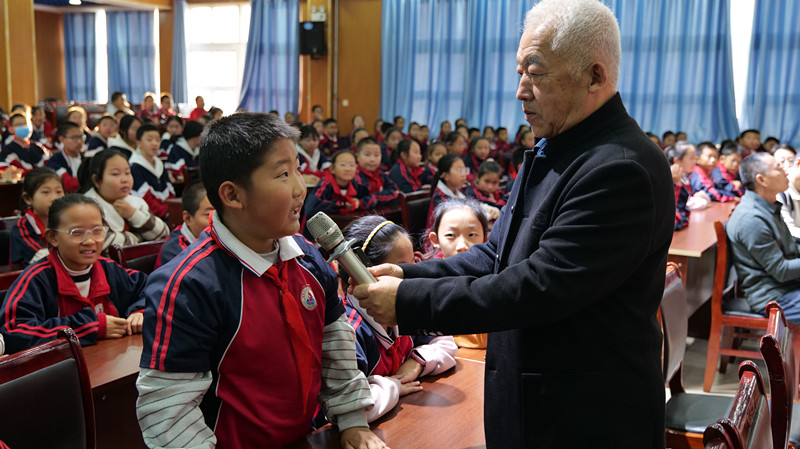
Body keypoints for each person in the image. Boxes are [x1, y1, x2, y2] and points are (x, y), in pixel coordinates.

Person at [351, 1, 674, 446]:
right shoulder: (557, 147)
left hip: (585, 418)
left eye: (536, 72)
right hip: (538, 405)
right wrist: (406, 273)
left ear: (595, 76)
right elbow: (494, 255)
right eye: (519, 72)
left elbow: (539, 286)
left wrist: (409, 301)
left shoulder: (619, 168)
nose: (521, 90)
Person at [135, 112, 385, 449]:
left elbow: (335, 350)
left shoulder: (309, 259)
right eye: (283, 174)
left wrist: (352, 422)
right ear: (233, 196)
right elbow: (170, 411)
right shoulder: (188, 285)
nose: (300, 188)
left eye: (298, 169)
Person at [336, 216, 457, 423]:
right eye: (402, 269)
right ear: (362, 273)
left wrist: (417, 361)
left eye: (412, 266)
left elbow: (446, 341)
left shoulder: (400, 309)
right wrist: (394, 386)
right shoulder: (349, 331)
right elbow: (350, 409)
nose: (414, 278)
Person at [0, 194, 147, 354]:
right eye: (77, 233)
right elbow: (14, 333)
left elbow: (151, 288)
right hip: (60, 373)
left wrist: (140, 312)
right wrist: (90, 327)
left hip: (111, 364)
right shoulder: (36, 279)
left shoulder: (108, 269)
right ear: (53, 237)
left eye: (97, 231)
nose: (90, 241)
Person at [727, 153, 800, 323]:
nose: (786, 171)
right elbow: (781, 271)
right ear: (762, 180)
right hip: (774, 296)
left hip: (787, 286)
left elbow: (791, 249)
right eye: (779, 168)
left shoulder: (768, 206)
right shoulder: (752, 218)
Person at [425, 199, 490, 348]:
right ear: (435, 240)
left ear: (486, 238)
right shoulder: (427, 280)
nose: (462, 246)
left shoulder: (493, 274)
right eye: (451, 235)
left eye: (472, 235)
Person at [82, 150, 169, 253]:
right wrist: (140, 238)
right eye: (115, 174)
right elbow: (107, 244)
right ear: (96, 180)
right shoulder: (87, 207)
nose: (125, 179)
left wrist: (133, 214)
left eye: (127, 173)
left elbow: (163, 234)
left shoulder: (135, 202)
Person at [9, 167, 64, 264]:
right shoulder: (22, 226)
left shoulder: (65, 221)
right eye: (46, 192)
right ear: (28, 199)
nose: (54, 198)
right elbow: (43, 256)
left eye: (59, 192)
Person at [156, 181, 213, 268]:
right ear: (187, 218)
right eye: (209, 214)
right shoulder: (174, 252)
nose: (217, 221)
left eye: (220, 214)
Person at [130, 124, 175, 220]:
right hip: (149, 216)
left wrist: (172, 209)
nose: (154, 143)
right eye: (149, 140)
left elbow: (170, 190)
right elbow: (145, 199)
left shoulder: (159, 164)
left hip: (167, 212)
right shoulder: (135, 167)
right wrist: (167, 212)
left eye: (158, 140)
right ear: (139, 143)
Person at [668, 142, 710, 230]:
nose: (695, 162)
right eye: (691, 158)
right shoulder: (671, 181)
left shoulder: (685, 177)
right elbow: (676, 219)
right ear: (677, 161)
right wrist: (676, 184)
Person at [354, 137, 399, 205]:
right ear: (357, 156)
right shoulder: (355, 177)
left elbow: (395, 192)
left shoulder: (381, 174)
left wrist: (374, 197)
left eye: (376, 155)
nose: (372, 159)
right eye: (367, 155)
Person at [46, 122, 85, 192]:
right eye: (74, 138)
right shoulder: (54, 161)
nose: (79, 141)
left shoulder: (86, 159)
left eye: (81, 137)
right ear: (61, 139)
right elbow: (68, 184)